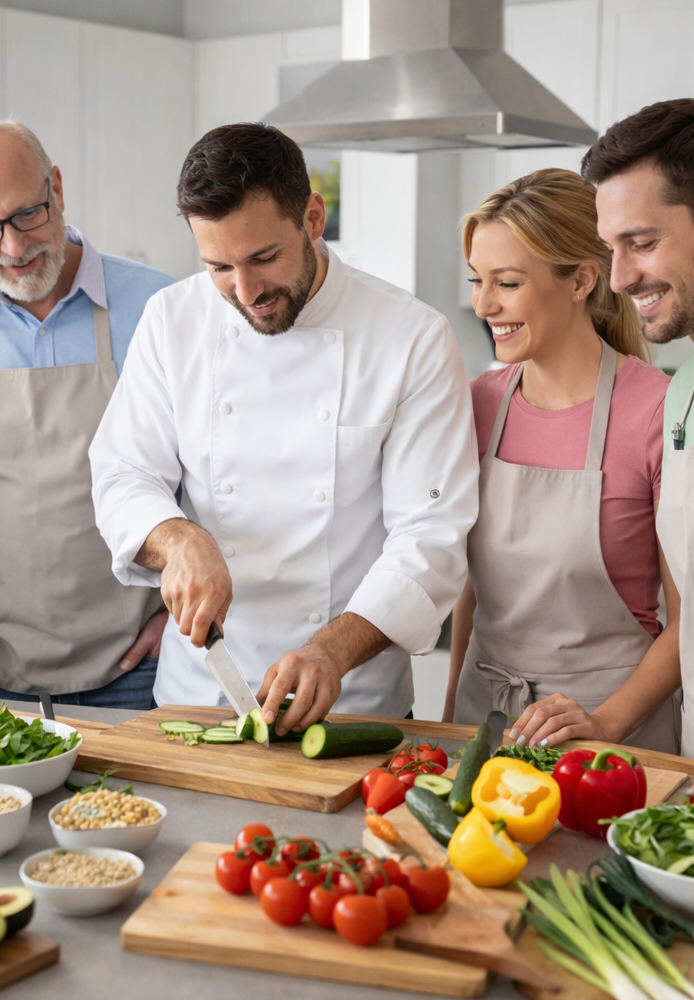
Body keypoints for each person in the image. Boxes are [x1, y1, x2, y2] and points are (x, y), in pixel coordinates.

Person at [89, 123, 479, 735]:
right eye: (219, 266)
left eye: (263, 258)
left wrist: (332, 652)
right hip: (198, 696)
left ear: (313, 218)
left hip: (352, 702)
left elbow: (430, 535)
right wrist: (177, 538)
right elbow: (122, 473)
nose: (246, 292)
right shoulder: (172, 320)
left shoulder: (412, 337)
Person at [0, 120, 172, 708]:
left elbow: (209, 477)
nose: (14, 247)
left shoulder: (159, 305)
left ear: (57, 188)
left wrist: (174, 618)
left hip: (138, 663)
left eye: (27, 214)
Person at [444, 169, 681, 753]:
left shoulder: (658, 412)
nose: (483, 304)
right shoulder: (475, 404)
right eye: (477, 280)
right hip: (486, 721)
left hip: (610, 741)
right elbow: (471, 593)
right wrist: (450, 723)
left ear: (580, 280)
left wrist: (606, 724)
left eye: (507, 282)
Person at [584, 98, 694, 762]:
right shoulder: (684, 395)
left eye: (642, 244)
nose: (619, 278)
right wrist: (605, 723)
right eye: (611, 248)